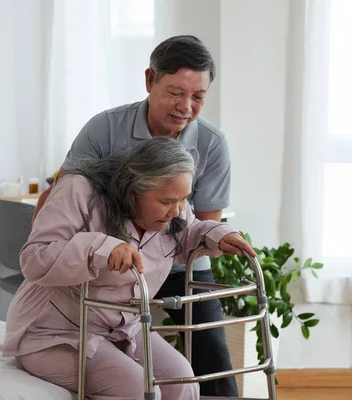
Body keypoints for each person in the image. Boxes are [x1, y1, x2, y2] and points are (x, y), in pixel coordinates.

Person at [32, 35, 238, 397]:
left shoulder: (212, 144)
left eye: (198, 97)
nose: (185, 106)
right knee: (122, 359)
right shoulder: (105, 129)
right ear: (149, 80)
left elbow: (197, 222)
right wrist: (46, 252)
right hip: (109, 262)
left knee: (213, 363)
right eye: (175, 92)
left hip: (176, 261)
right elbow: (61, 194)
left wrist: (217, 236)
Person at [4, 138, 254, 399]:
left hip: (124, 329)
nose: (176, 211)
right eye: (167, 201)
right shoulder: (79, 190)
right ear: (132, 189)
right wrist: (100, 248)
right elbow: (34, 259)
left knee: (184, 382)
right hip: (54, 334)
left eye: (184, 200)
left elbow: (190, 230)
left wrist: (219, 234)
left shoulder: (174, 207)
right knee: (140, 390)